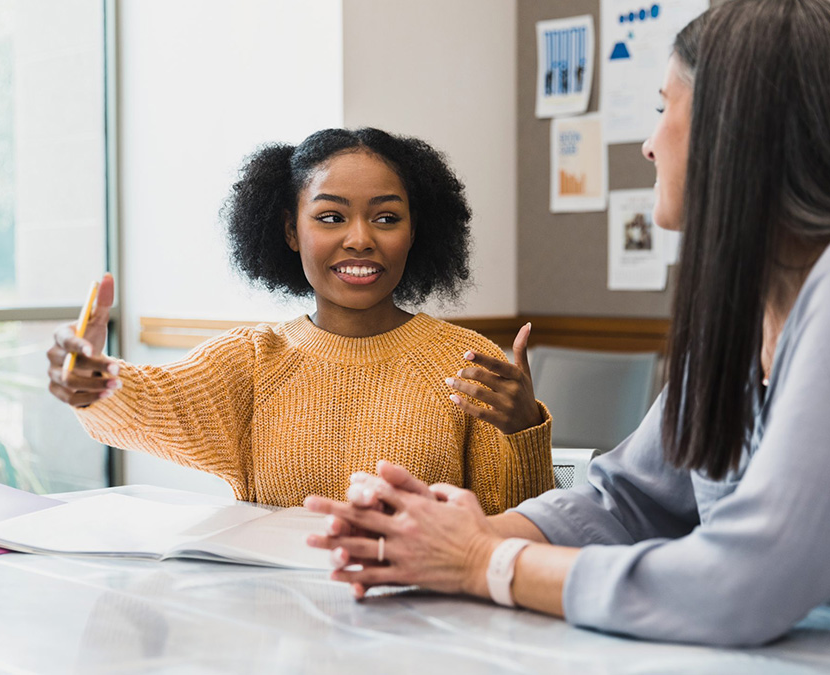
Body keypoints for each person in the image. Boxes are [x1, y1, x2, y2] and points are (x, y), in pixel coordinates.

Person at [304, 0, 830, 647]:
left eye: (664, 109)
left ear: (731, 130)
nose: (649, 143)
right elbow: (627, 498)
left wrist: (483, 560)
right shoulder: (741, 309)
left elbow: (746, 583)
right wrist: (445, 532)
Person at [46, 127, 554, 513]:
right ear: (291, 231)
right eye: (331, 217)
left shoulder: (466, 364)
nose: (360, 239)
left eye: (386, 218)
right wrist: (91, 380)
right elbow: (152, 401)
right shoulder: (253, 361)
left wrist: (524, 430)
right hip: (273, 615)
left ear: (415, 231)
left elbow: (518, 530)